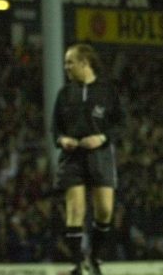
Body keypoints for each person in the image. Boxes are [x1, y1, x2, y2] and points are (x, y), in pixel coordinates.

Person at [52, 43, 125, 275]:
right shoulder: (65, 94)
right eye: (65, 63)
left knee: (104, 210)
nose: (66, 67)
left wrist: (102, 138)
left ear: (85, 63)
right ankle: (76, 264)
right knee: (75, 211)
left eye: (70, 62)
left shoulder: (107, 91)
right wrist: (62, 140)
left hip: (100, 154)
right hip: (72, 158)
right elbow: (55, 129)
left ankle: (94, 258)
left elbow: (121, 124)